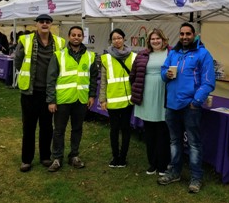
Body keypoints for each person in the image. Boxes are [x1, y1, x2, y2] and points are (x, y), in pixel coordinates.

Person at [158, 22, 215, 193]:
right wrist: (166, 75)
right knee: (175, 141)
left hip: (191, 107)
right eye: (181, 34)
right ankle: (175, 172)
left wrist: (196, 101)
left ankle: (196, 178)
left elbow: (208, 82)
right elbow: (163, 71)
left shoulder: (203, 54)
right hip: (172, 105)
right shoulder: (173, 53)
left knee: (194, 144)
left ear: (194, 34)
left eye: (187, 34)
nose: (184, 37)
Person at [14, 14, 66, 172]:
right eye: (41, 22)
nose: (45, 24)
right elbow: (18, 61)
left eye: (48, 22)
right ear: (36, 24)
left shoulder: (59, 42)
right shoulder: (26, 40)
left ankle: (45, 156)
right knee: (28, 127)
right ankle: (26, 160)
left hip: (49, 92)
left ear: (51, 25)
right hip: (30, 92)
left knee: (47, 126)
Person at [46, 26, 98, 172]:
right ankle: (57, 158)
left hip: (80, 100)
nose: (76, 37)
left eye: (79, 35)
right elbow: (50, 79)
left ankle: (74, 155)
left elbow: (93, 78)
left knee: (77, 129)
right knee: (59, 131)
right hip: (62, 99)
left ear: (83, 37)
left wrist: (92, 95)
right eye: (73, 35)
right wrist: (51, 100)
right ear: (69, 37)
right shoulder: (58, 55)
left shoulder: (90, 56)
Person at [130, 28, 171, 176]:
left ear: (163, 39)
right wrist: (136, 89)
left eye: (157, 38)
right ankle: (152, 163)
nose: (155, 41)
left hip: (164, 96)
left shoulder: (171, 53)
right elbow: (133, 74)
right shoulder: (142, 54)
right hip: (146, 96)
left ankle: (163, 164)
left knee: (163, 132)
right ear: (149, 41)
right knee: (150, 132)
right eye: (152, 39)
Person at [99, 28, 136, 168]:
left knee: (126, 129)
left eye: (119, 38)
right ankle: (115, 157)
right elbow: (103, 81)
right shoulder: (106, 58)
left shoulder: (133, 56)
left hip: (128, 101)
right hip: (113, 100)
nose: (117, 41)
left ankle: (123, 157)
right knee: (114, 130)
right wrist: (102, 99)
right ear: (111, 41)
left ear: (124, 39)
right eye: (114, 38)